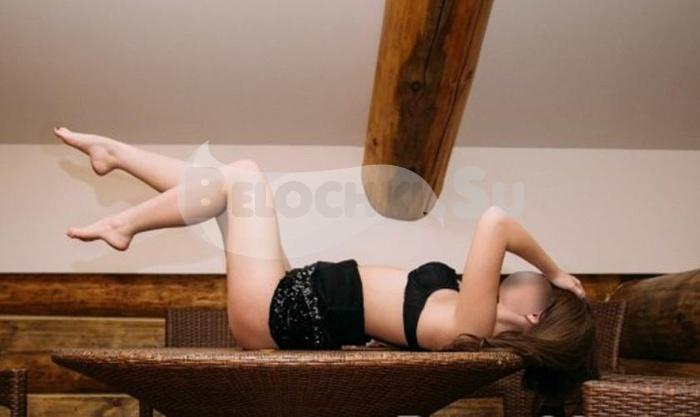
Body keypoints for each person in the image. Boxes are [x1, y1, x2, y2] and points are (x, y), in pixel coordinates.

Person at [54, 126, 597, 401]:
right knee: (226, 191)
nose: (531, 278)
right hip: (291, 301)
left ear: (534, 315)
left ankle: (122, 224)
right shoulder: (467, 319)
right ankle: (116, 155)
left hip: (280, 314)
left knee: (243, 176)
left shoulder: (473, 327)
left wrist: (554, 271)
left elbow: (497, 221)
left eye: (541, 289)